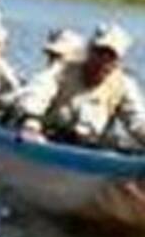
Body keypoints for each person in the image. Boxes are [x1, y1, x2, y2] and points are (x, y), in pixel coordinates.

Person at [15, 23, 145, 148]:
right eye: (99, 52)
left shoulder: (124, 85)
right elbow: (37, 92)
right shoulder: (62, 70)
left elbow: (137, 119)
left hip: (91, 145)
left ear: (118, 62)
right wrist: (31, 122)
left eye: (110, 57)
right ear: (89, 51)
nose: (103, 61)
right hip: (50, 137)